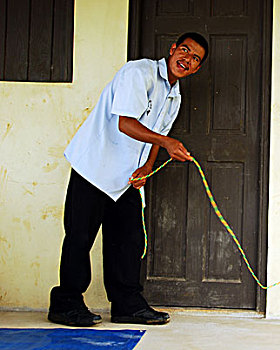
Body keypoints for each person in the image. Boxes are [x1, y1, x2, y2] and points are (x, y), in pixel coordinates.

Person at [48, 32, 209, 327]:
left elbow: (155, 141)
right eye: (184, 51)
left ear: (197, 69)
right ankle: (66, 303)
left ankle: (126, 305)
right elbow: (125, 123)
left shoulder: (175, 96)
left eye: (195, 59)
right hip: (95, 166)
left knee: (128, 241)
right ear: (172, 50)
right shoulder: (140, 72)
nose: (187, 59)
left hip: (127, 177)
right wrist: (169, 142)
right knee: (79, 237)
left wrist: (147, 167)